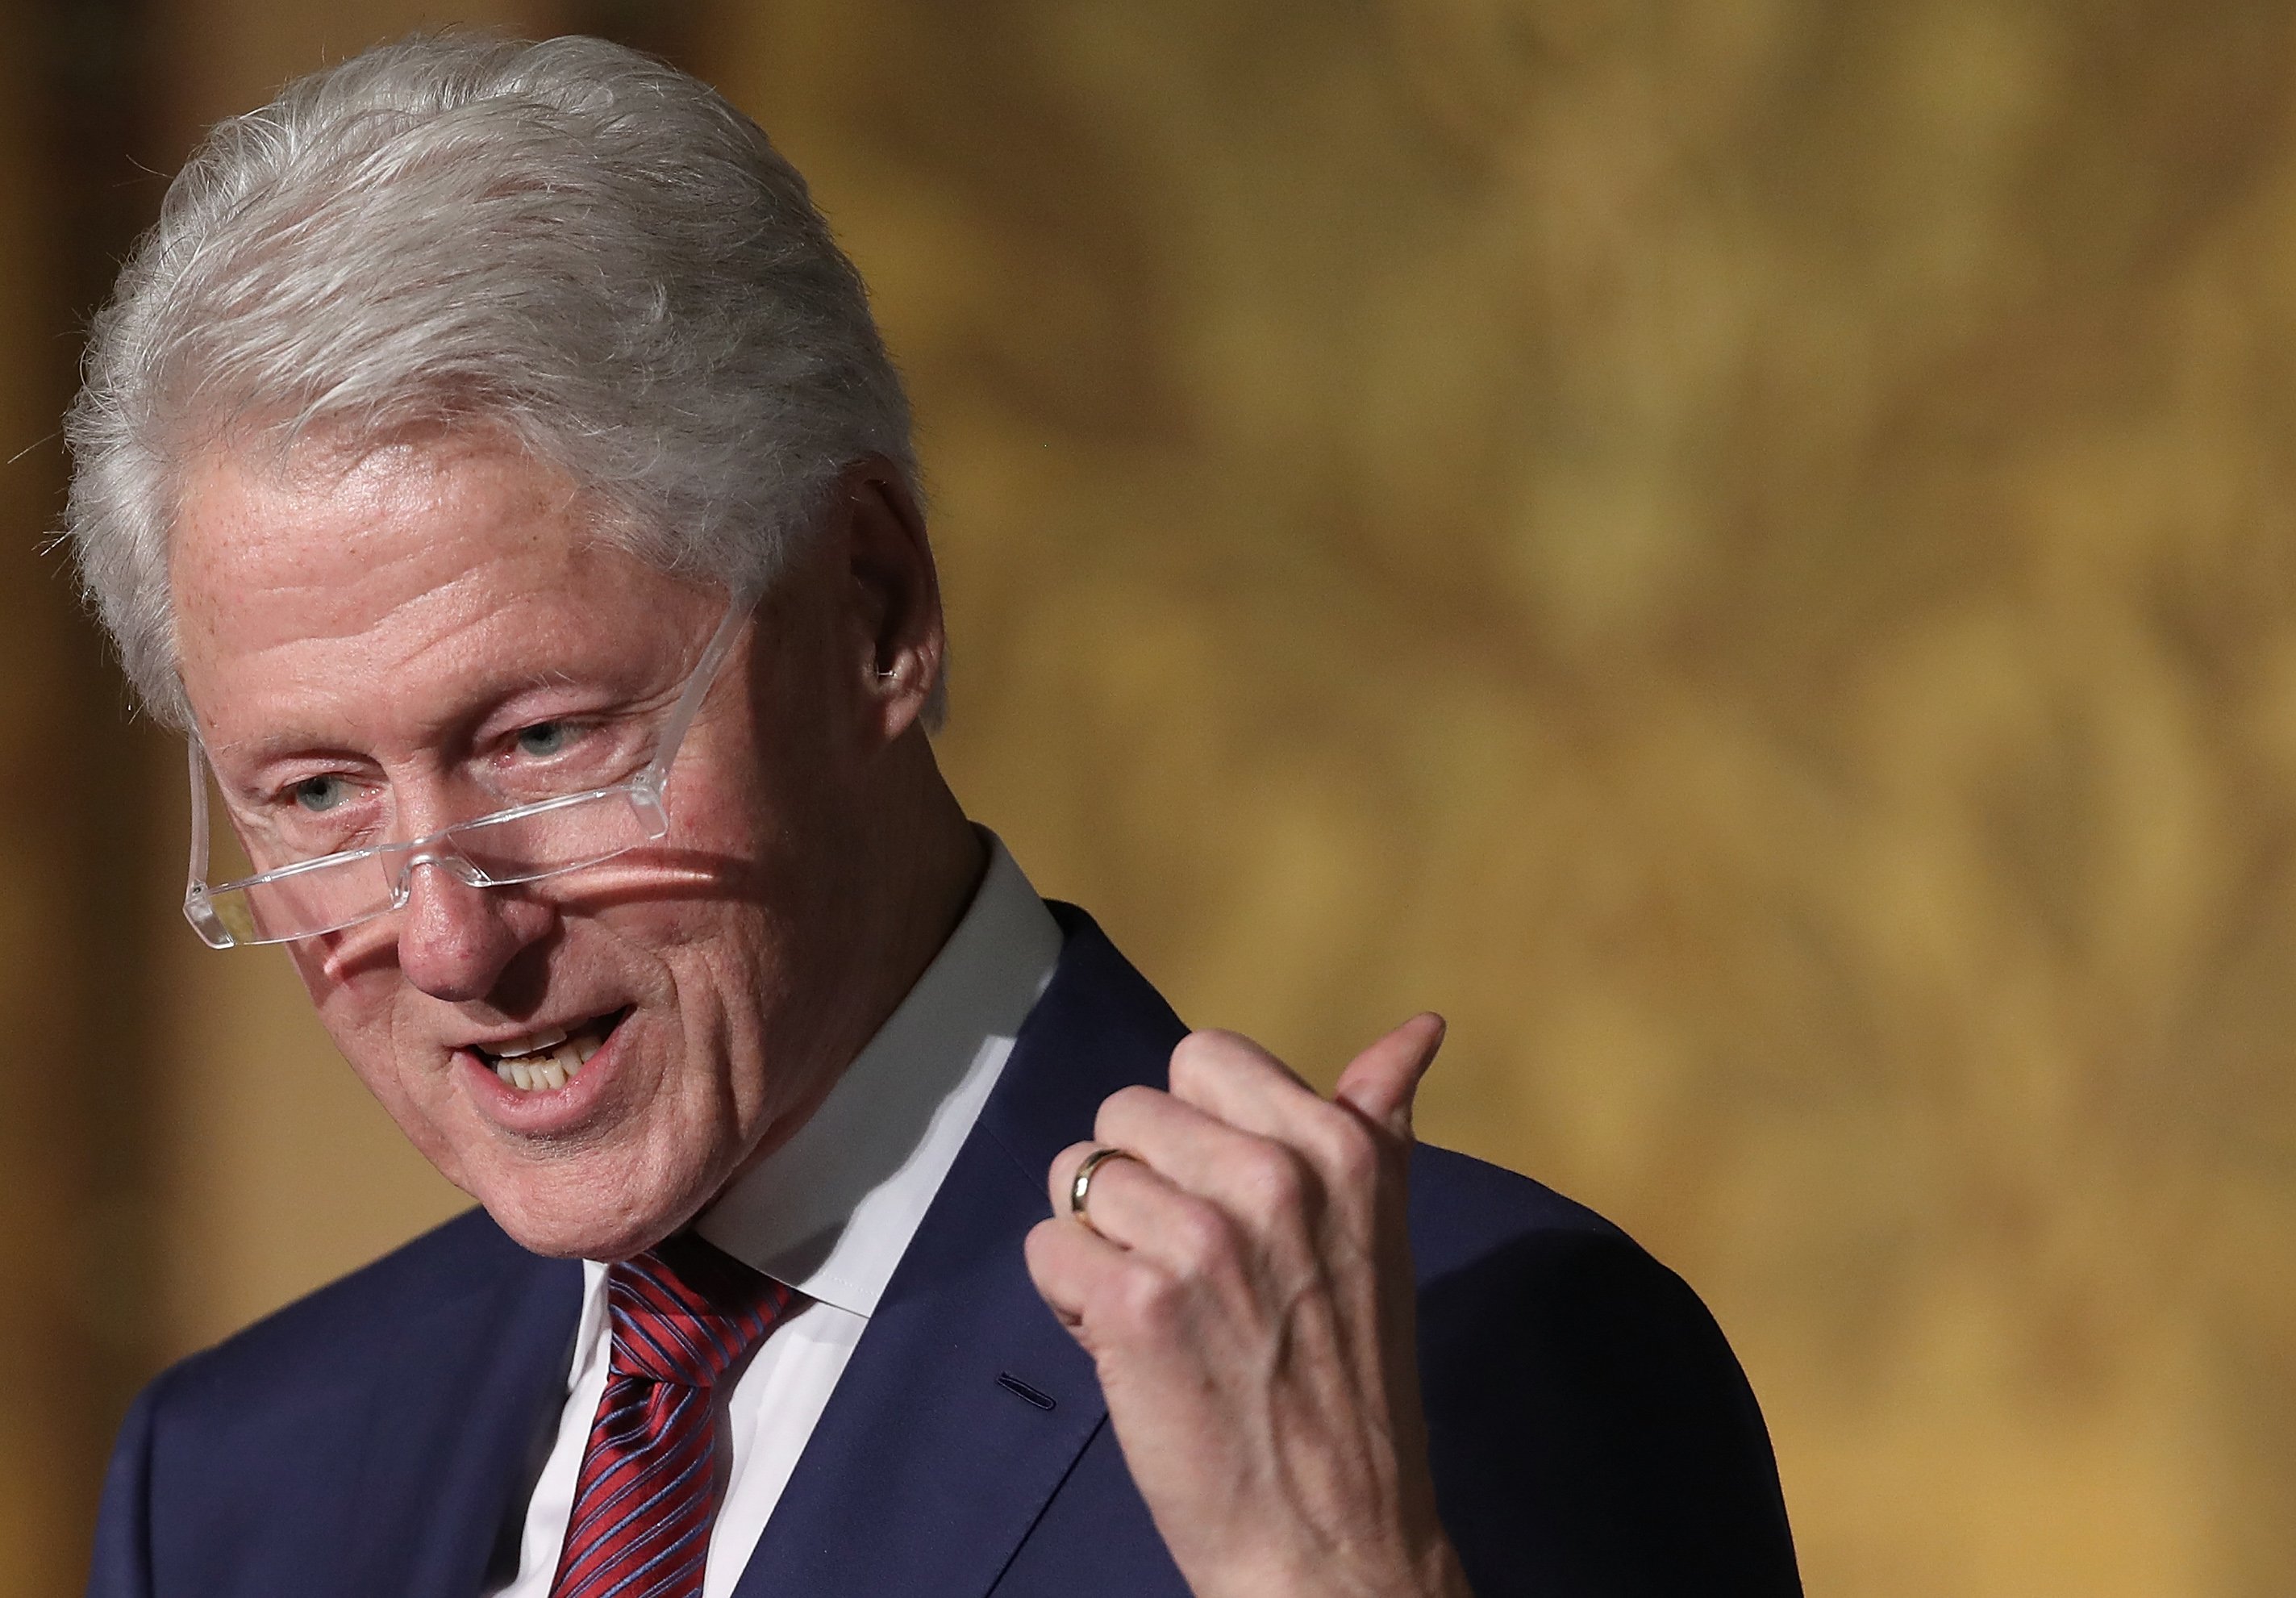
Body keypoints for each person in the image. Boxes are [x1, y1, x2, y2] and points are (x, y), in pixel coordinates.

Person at [67, 33, 1799, 1598]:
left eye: (540, 739)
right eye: (313, 791)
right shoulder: (231, 1484)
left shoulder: (1460, 1350)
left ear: (875, 611)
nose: (447, 934)